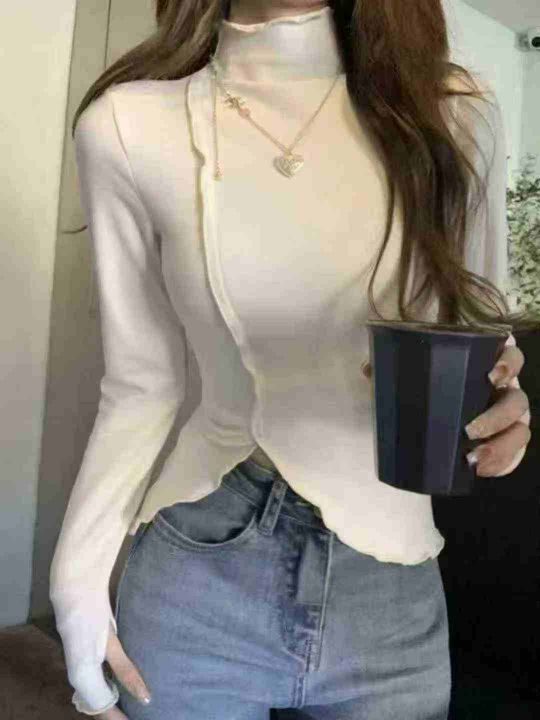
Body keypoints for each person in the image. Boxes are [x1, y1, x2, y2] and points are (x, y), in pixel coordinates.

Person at [49, 1, 533, 718]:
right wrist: (75, 586)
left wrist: (504, 405)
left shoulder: (456, 112)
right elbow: (142, 384)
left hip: (392, 594)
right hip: (199, 568)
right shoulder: (127, 125)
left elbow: (475, 335)